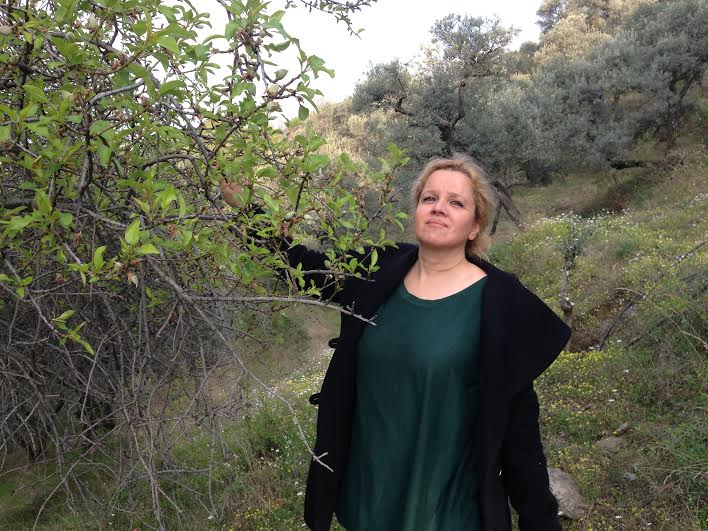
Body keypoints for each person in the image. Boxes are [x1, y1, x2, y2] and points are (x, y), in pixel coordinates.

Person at [220, 155, 571, 531]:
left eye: (456, 202)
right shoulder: (378, 271)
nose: (439, 207)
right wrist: (247, 209)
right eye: (429, 198)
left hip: (448, 514)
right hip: (368, 505)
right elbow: (301, 268)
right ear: (416, 210)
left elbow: (519, 434)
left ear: (475, 225)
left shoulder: (501, 304)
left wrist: (539, 520)